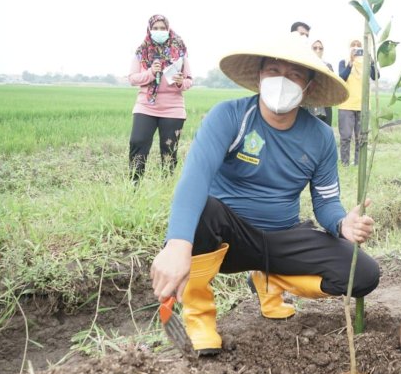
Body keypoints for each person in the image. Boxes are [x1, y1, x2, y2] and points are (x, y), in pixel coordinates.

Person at [149, 34, 380, 356]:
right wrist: (177, 244)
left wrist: (342, 223)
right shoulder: (229, 116)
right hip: (226, 239)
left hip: (281, 238)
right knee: (203, 209)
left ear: (309, 87)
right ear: (259, 77)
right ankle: (198, 317)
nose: (282, 81)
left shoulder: (321, 137)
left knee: (363, 275)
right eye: (273, 70)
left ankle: (271, 281)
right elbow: (194, 180)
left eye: (295, 74)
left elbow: (326, 202)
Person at [128, 14, 192, 183]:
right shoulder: (141, 52)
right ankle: (134, 186)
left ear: (168, 29)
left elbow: (189, 81)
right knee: (138, 142)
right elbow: (133, 79)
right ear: (149, 30)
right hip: (146, 105)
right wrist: (150, 73)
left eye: (162, 28)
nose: (159, 31)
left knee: (168, 149)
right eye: (155, 28)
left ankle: (166, 186)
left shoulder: (179, 51)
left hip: (173, 107)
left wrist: (180, 82)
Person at [337, 39, 376, 167]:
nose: (356, 48)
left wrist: (371, 62)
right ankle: (345, 164)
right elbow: (342, 77)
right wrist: (351, 63)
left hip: (363, 106)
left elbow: (376, 76)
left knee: (361, 138)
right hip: (346, 105)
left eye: (359, 46)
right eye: (353, 46)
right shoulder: (343, 62)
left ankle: (358, 164)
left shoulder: (367, 63)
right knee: (346, 137)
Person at [309, 39, 334, 126]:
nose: (318, 50)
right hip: (308, 106)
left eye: (320, 48)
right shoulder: (305, 65)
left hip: (325, 105)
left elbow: (331, 85)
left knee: (325, 133)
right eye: (315, 48)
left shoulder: (328, 66)